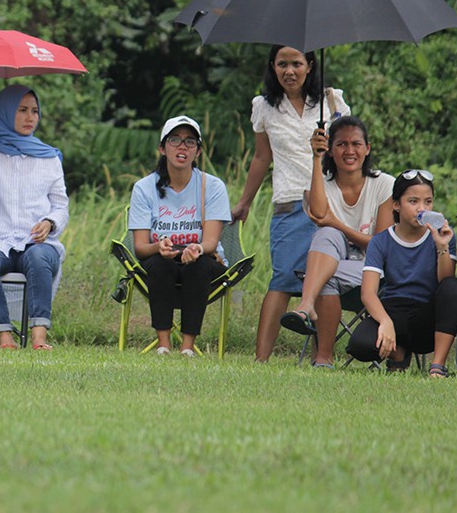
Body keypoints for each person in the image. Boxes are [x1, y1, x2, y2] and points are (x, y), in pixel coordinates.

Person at [231, 46, 350, 362]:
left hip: (328, 203)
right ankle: (261, 360)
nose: (290, 71)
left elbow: (349, 152)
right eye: (282, 64)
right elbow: (261, 157)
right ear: (272, 66)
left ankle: (322, 358)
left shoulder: (332, 102)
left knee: (324, 282)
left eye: (297, 63)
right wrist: (244, 202)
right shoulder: (265, 106)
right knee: (283, 278)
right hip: (288, 202)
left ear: (310, 65)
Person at [280, 115, 395, 367]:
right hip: (334, 265)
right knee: (326, 235)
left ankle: (316, 337)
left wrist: (337, 223)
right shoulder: (322, 185)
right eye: (341, 144)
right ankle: (312, 321)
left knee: (325, 263)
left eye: (356, 143)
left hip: (375, 270)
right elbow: (320, 216)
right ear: (330, 150)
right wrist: (315, 158)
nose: (349, 150)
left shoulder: (385, 185)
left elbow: (381, 245)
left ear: (368, 148)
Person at [0, 85, 69, 350]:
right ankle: (5, 338)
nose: (30, 117)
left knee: (39, 257)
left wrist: (49, 223)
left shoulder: (49, 157)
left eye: (34, 111)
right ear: (4, 112)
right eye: (21, 110)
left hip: (34, 242)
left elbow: (60, 206)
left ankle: (38, 338)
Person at [128, 116, 231, 357]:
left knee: (200, 264)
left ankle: (187, 346)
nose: (182, 146)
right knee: (159, 263)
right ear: (162, 148)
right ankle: (163, 343)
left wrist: (196, 249)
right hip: (160, 257)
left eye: (190, 141)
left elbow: (211, 242)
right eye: (174, 140)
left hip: (202, 257)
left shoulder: (213, 186)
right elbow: (141, 248)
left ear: (198, 151)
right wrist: (158, 247)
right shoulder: (144, 187)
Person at [347, 170, 457, 377]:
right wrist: (385, 322)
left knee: (453, 286)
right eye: (413, 201)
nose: (422, 208)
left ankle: (437, 366)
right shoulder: (380, 241)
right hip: (393, 309)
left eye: (428, 202)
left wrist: (442, 247)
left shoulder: (442, 236)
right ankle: (398, 353)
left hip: (426, 317)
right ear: (396, 205)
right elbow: (368, 293)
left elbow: (445, 284)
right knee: (360, 345)